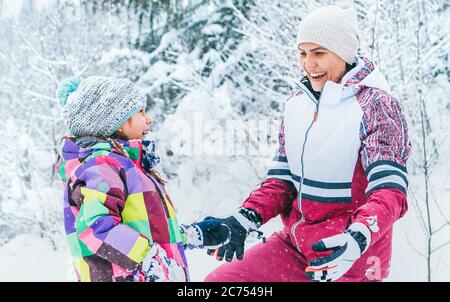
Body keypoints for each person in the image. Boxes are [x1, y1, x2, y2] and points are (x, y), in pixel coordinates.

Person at [201, 5, 412, 282]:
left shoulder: (377, 106)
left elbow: (389, 192)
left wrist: (359, 236)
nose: (308, 64)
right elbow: (281, 182)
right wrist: (245, 218)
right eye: (303, 53)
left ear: (344, 54)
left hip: (351, 255)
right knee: (221, 283)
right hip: (295, 248)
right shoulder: (296, 104)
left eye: (319, 53)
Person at [55, 76, 229, 282]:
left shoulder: (127, 166)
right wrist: (150, 261)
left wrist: (193, 235)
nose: (149, 119)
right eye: (140, 112)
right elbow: (95, 226)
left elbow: (148, 231)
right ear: (116, 121)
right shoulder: (102, 166)